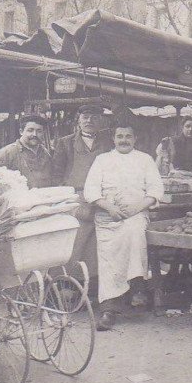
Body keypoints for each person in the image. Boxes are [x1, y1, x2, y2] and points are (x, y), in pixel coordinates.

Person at [84, 120, 164, 331]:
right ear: (114, 139)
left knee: (134, 232)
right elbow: (90, 191)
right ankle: (109, 308)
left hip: (136, 214)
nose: (124, 140)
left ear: (135, 138)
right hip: (107, 217)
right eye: (120, 136)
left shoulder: (145, 160)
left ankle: (137, 288)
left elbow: (155, 191)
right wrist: (109, 208)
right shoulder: (102, 160)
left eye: (128, 136)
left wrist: (136, 208)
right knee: (109, 256)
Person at [51, 104, 115, 275]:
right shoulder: (65, 142)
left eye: (94, 117)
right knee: (75, 240)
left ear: (101, 120)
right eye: (85, 117)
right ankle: (66, 282)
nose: (89, 121)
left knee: (97, 241)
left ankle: (93, 281)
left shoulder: (109, 142)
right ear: (78, 120)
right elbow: (57, 173)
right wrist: (67, 196)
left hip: (102, 197)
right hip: (76, 197)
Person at [0, 114, 54, 188]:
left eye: (39, 131)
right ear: (21, 131)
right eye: (30, 130)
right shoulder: (5, 154)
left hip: (44, 198)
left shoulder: (46, 154)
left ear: (43, 133)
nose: (35, 134)